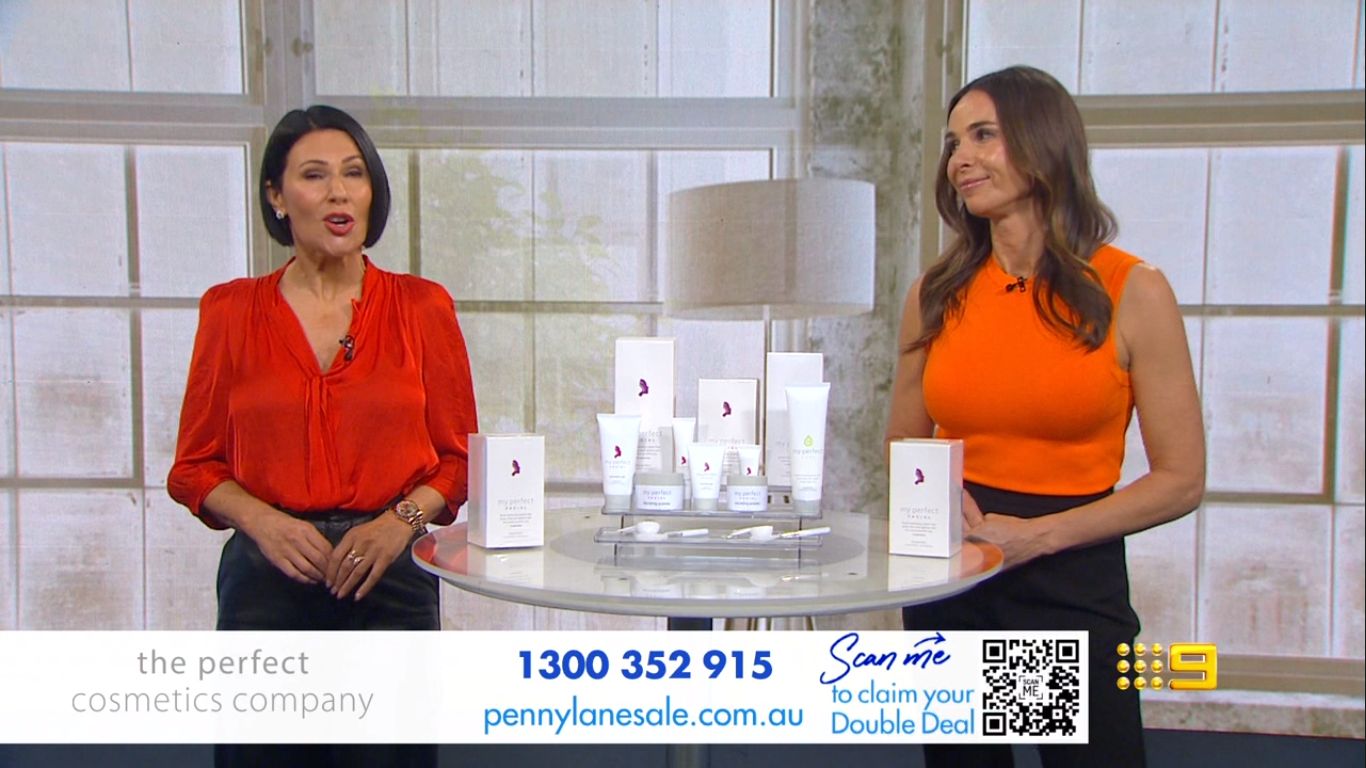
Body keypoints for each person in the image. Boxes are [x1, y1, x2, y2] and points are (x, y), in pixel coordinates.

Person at [886, 66, 1205, 767]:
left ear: (1043, 143)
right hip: (954, 576)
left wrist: (1037, 538)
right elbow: (904, 439)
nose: (960, 159)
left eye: (983, 136)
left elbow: (1181, 480)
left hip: (1067, 584)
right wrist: (942, 500)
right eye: (952, 143)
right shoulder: (935, 293)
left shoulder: (1131, 289)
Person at [168, 105, 478, 768]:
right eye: (314, 175)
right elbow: (193, 468)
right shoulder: (229, 310)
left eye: (354, 174)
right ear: (277, 197)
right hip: (266, 583)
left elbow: (459, 461)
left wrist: (397, 524)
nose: (339, 191)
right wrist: (264, 522)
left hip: (388, 579)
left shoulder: (423, 306)